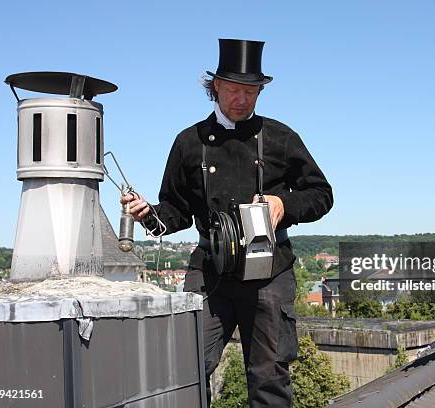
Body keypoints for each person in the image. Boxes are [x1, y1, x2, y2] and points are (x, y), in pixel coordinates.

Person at [122, 38, 333, 408]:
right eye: (234, 89)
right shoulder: (189, 142)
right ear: (215, 85)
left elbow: (321, 194)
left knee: (270, 375)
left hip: (270, 272)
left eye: (251, 91)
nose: (242, 99)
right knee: (187, 367)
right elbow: (177, 209)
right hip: (210, 272)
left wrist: (284, 203)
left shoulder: (281, 137)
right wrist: (149, 215)